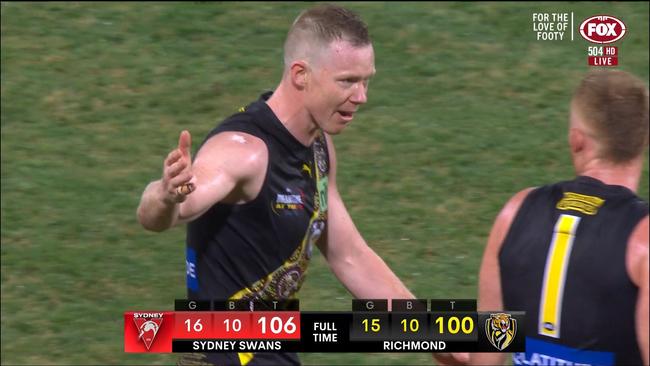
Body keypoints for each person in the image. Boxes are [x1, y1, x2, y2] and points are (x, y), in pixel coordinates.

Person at [136, 5, 414, 365]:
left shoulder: (318, 147)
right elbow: (162, 214)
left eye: (366, 80)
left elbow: (350, 256)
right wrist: (165, 195)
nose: (362, 96)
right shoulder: (244, 152)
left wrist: (437, 334)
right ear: (301, 74)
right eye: (347, 81)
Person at [470, 70, 649, 365]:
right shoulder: (643, 238)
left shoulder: (515, 211)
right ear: (644, 139)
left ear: (576, 140)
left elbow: (487, 351)